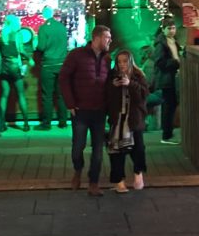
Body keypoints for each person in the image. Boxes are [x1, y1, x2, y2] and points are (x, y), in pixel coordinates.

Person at [58, 24, 112, 196]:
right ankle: (78, 170)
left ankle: (93, 182)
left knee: (98, 148)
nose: (110, 40)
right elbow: (63, 77)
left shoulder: (107, 58)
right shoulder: (76, 55)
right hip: (80, 110)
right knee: (78, 146)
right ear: (96, 38)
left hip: (99, 111)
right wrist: (70, 103)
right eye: (107, 37)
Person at [106, 49, 149, 193]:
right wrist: (113, 87)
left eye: (124, 61)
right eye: (119, 62)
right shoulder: (112, 75)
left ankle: (138, 175)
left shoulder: (138, 75)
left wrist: (130, 83)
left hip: (133, 118)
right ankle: (119, 181)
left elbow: (143, 96)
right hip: (117, 119)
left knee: (138, 148)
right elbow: (107, 97)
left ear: (130, 61)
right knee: (116, 151)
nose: (122, 64)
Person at [0, 15, 31, 132]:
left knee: (4, 95)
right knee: (21, 95)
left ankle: (2, 124)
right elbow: (21, 51)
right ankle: (26, 124)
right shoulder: (18, 35)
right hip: (15, 67)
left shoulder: (2, 36)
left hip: (4, 68)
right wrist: (30, 58)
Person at [35, 13, 70, 130]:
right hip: (62, 64)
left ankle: (46, 124)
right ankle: (63, 121)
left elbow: (41, 47)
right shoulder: (62, 27)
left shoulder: (43, 28)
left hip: (48, 64)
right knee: (61, 95)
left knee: (47, 96)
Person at [151, 20, 181, 145]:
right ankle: (166, 135)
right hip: (166, 80)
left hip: (172, 78)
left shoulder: (173, 41)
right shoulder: (161, 44)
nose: (172, 30)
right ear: (163, 29)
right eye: (169, 28)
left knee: (172, 105)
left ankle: (168, 133)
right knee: (168, 106)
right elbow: (159, 62)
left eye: (174, 28)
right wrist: (176, 62)